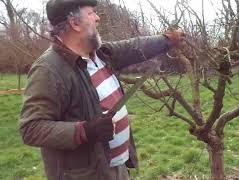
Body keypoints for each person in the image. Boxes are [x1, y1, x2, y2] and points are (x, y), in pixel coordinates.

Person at [18, 0, 185, 179]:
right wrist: (84, 131)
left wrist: (167, 40)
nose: (98, 18)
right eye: (91, 13)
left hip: (115, 167)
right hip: (85, 175)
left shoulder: (100, 54)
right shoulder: (49, 70)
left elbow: (134, 46)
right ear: (75, 23)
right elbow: (31, 128)